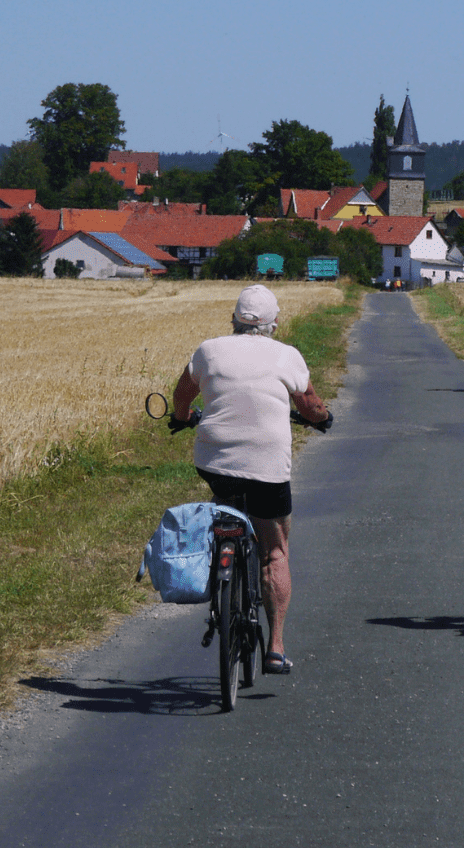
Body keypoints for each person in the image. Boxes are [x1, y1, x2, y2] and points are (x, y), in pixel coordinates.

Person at [171, 284, 332, 675]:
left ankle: (219, 566)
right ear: (274, 324)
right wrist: (323, 418)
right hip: (267, 466)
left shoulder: (209, 350)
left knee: (224, 505)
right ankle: (275, 648)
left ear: (234, 320)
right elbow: (310, 405)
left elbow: (182, 395)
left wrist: (181, 418)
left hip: (215, 462)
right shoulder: (287, 356)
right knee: (275, 550)